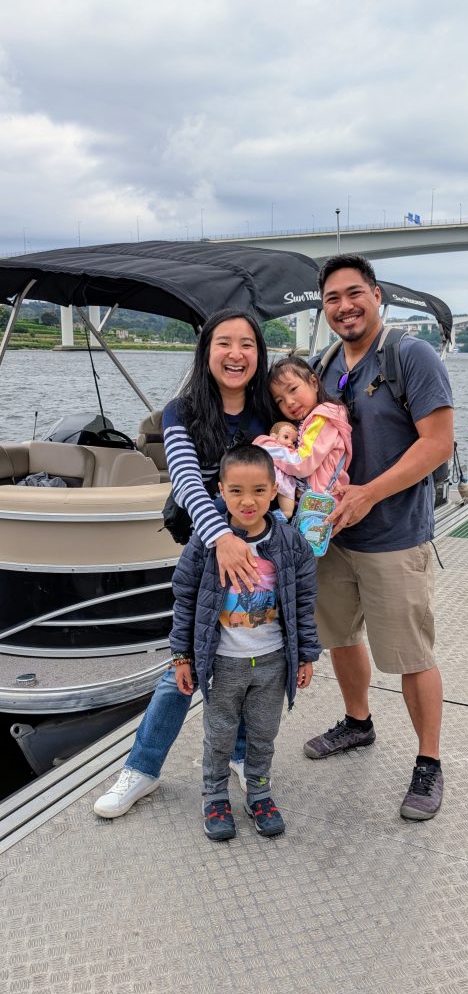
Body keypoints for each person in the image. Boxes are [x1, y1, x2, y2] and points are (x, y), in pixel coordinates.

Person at [93, 309, 276, 819]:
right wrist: (221, 537)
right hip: (209, 553)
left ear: (259, 355)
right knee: (186, 661)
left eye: (247, 344)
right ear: (206, 351)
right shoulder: (182, 412)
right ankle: (143, 768)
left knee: (253, 657)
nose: (236, 354)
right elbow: (187, 480)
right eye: (224, 343)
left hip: (265, 558)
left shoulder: (271, 410)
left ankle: (240, 754)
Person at [304, 254, 454, 821]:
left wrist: (369, 493)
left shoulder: (409, 354)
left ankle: (428, 763)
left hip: (395, 536)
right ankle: (358, 722)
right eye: (332, 299)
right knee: (342, 637)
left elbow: (439, 443)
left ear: (376, 295)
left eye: (353, 293)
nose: (344, 306)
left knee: (411, 653)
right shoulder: (325, 363)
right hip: (332, 536)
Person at [171, 444, 320, 840]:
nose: (247, 500)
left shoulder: (290, 544)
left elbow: (304, 600)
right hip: (222, 663)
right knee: (218, 734)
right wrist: (181, 655)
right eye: (235, 491)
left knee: (263, 733)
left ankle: (259, 791)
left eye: (258, 490)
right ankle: (215, 794)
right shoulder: (206, 544)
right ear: (220, 490)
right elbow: (185, 598)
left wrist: (306, 654)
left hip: (272, 662)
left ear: (274, 490)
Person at [253, 354, 352, 503]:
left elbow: (302, 462)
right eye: (280, 400)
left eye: (293, 389)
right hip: (316, 502)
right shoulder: (310, 420)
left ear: (314, 383)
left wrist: (264, 448)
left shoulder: (322, 418)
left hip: (319, 506)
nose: (289, 402)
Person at [261, 421, 299, 519]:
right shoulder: (267, 445)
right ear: (274, 436)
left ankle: (270, 521)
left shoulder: (291, 452)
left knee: (288, 512)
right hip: (265, 478)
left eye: (294, 442)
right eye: (286, 437)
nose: (290, 443)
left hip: (285, 482)